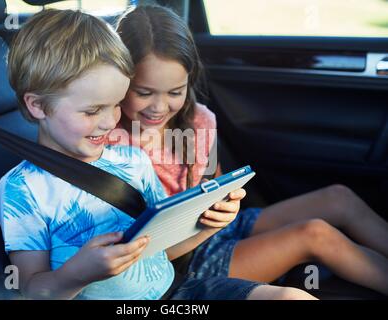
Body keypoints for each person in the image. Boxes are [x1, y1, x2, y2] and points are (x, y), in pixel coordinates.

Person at [0, 9, 316, 300]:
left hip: (180, 290)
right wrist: (76, 274)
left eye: (115, 105)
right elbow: (30, 290)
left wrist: (211, 226)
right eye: (93, 110)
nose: (109, 121)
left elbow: (160, 252)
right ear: (37, 105)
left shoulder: (133, 161)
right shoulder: (22, 190)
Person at [113, 5, 388, 295]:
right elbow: (143, 250)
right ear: (119, 79)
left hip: (217, 227)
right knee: (315, 234)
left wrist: (222, 197)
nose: (159, 107)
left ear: (189, 81)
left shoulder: (198, 119)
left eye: (175, 92)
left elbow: (212, 180)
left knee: (338, 198)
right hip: (183, 258)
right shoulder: (111, 143)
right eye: (144, 93)